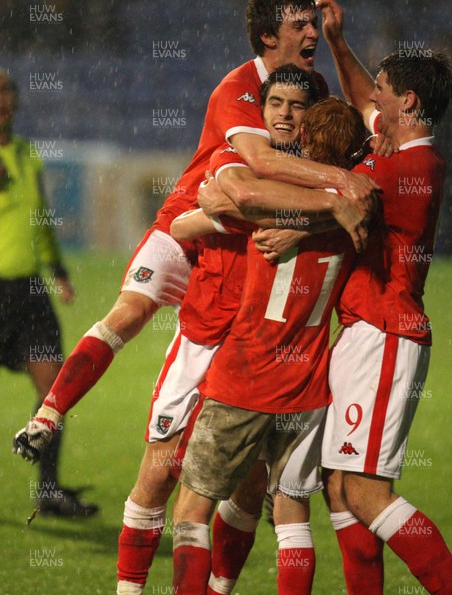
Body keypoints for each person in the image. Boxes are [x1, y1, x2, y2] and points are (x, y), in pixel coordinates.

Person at [12, 0, 379, 473]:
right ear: (269, 36)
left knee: (232, 367)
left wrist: (339, 43)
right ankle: (49, 413)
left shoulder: (313, 87)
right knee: (130, 312)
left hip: (236, 241)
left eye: (314, 25)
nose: (312, 33)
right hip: (187, 222)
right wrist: (341, 185)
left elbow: (361, 118)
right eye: (302, 25)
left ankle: (253, 481)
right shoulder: (238, 88)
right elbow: (261, 165)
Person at [169, 95, 368, 595]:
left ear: (301, 142)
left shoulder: (271, 200)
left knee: (192, 509)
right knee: (293, 517)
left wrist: (225, 200)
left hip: (245, 377)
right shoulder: (357, 215)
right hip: (307, 386)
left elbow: (182, 225)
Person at [313, 0, 452, 594]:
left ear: (408, 102)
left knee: (365, 491)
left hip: (385, 335)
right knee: (338, 486)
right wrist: (336, 41)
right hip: (364, 331)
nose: (373, 99)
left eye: (386, 91)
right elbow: (362, 100)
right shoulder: (400, 146)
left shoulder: (414, 167)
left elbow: (338, 197)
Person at [0, 70, 97, 517]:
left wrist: (57, 269)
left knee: (55, 384)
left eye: (7, 90)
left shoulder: (27, 154)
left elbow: (39, 219)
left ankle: (49, 491)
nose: (3, 99)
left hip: (28, 291)